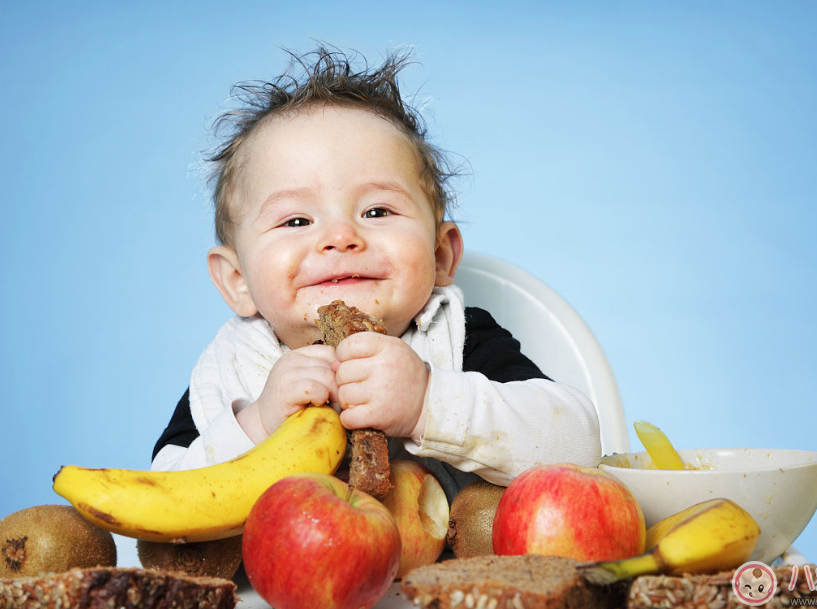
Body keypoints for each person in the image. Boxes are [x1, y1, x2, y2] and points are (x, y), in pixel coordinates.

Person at [151, 46, 601, 501]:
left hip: (451, 569)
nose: (341, 236)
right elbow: (160, 501)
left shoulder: (460, 339)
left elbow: (578, 446)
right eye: (296, 221)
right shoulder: (232, 368)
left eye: (377, 210)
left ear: (441, 255)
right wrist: (258, 424)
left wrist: (428, 402)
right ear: (237, 281)